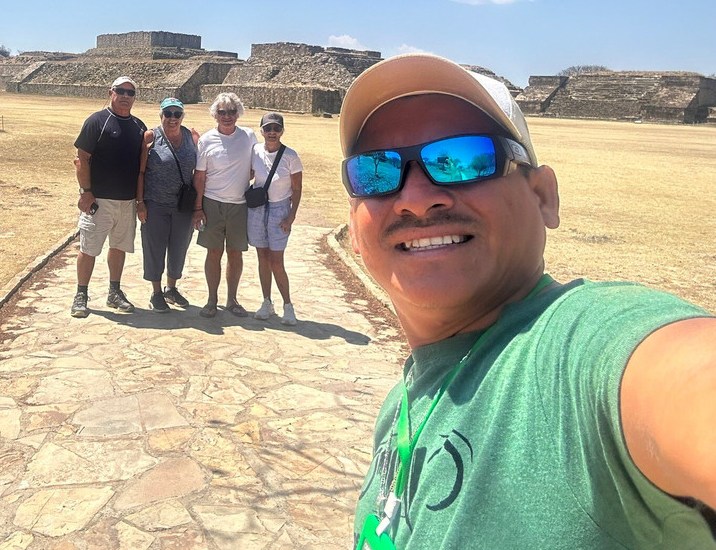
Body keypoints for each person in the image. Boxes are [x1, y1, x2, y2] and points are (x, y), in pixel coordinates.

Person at [339, 53, 716, 549]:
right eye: (375, 171)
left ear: (543, 197)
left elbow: (687, 380)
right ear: (354, 223)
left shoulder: (575, 353)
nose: (415, 198)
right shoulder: (402, 403)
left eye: (465, 158)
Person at [71, 76, 147, 317]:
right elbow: (81, 159)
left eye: (130, 93)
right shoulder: (97, 121)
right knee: (89, 248)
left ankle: (114, 291)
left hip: (126, 201)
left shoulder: (139, 126)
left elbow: (142, 168)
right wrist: (85, 192)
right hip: (99, 200)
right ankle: (81, 294)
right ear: (110, 92)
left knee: (119, 246)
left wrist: (139, 201)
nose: (125, 96)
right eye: (120, 91)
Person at [192, 92, 257, 317]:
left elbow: (255, 167)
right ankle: (212, 299)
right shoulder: (206, 140)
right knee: (213, 253)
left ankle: (232, 299)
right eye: (222, 112)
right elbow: (200, 177)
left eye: (231, 111)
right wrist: (198, 208)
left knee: (235, 253)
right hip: (212, 203)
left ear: (238, 113)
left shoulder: (248, 136)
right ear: (215, 114)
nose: (227, 116)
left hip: (239, 204)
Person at [135, 97, 199, 312]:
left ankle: (171, 288)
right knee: (154, 248)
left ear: (182, 116)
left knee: (179, 247)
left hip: (183, 205)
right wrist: (140, 202)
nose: (173, 118)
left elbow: (200, 171)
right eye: (168, 114)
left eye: (177, 114)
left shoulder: (191, 136)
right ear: (161, 115)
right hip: (155, 204)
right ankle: (156, 292)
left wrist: (198, 206)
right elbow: (140, 172)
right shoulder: (151, 137)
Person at [248, 112, 304, 326]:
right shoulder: (255, 151)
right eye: (268, 128)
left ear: (282, 131)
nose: (272, 132)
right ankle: (266, 301)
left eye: (276, 129)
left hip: (279, 209)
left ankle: (288, 305)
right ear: (261, 131)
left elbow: (297, 188)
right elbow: (250, 174)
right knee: (262, 257)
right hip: (258, 209)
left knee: (276, 260)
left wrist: (291, 216)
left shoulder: (291, 156)